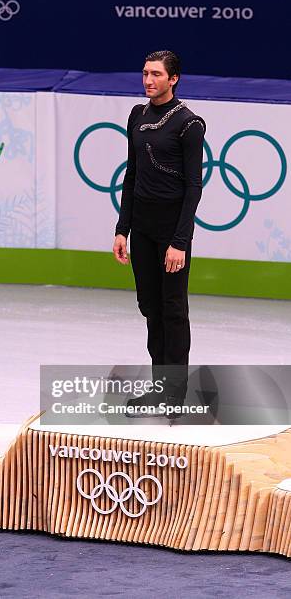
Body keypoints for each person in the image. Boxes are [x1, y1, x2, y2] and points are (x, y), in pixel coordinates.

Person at [112, 51, 205, 417]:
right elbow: (132, 175)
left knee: (173, 310)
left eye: (156, 74)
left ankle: (174, 396)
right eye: (145, 73)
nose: (148, 80)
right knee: (150, 308)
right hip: (143, 230)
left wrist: (179, 241)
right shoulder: (137, 115)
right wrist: (123, 229)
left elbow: (193, 187)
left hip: (171, 232)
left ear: (173, 79)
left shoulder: (189, 124)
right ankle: (159, 388)